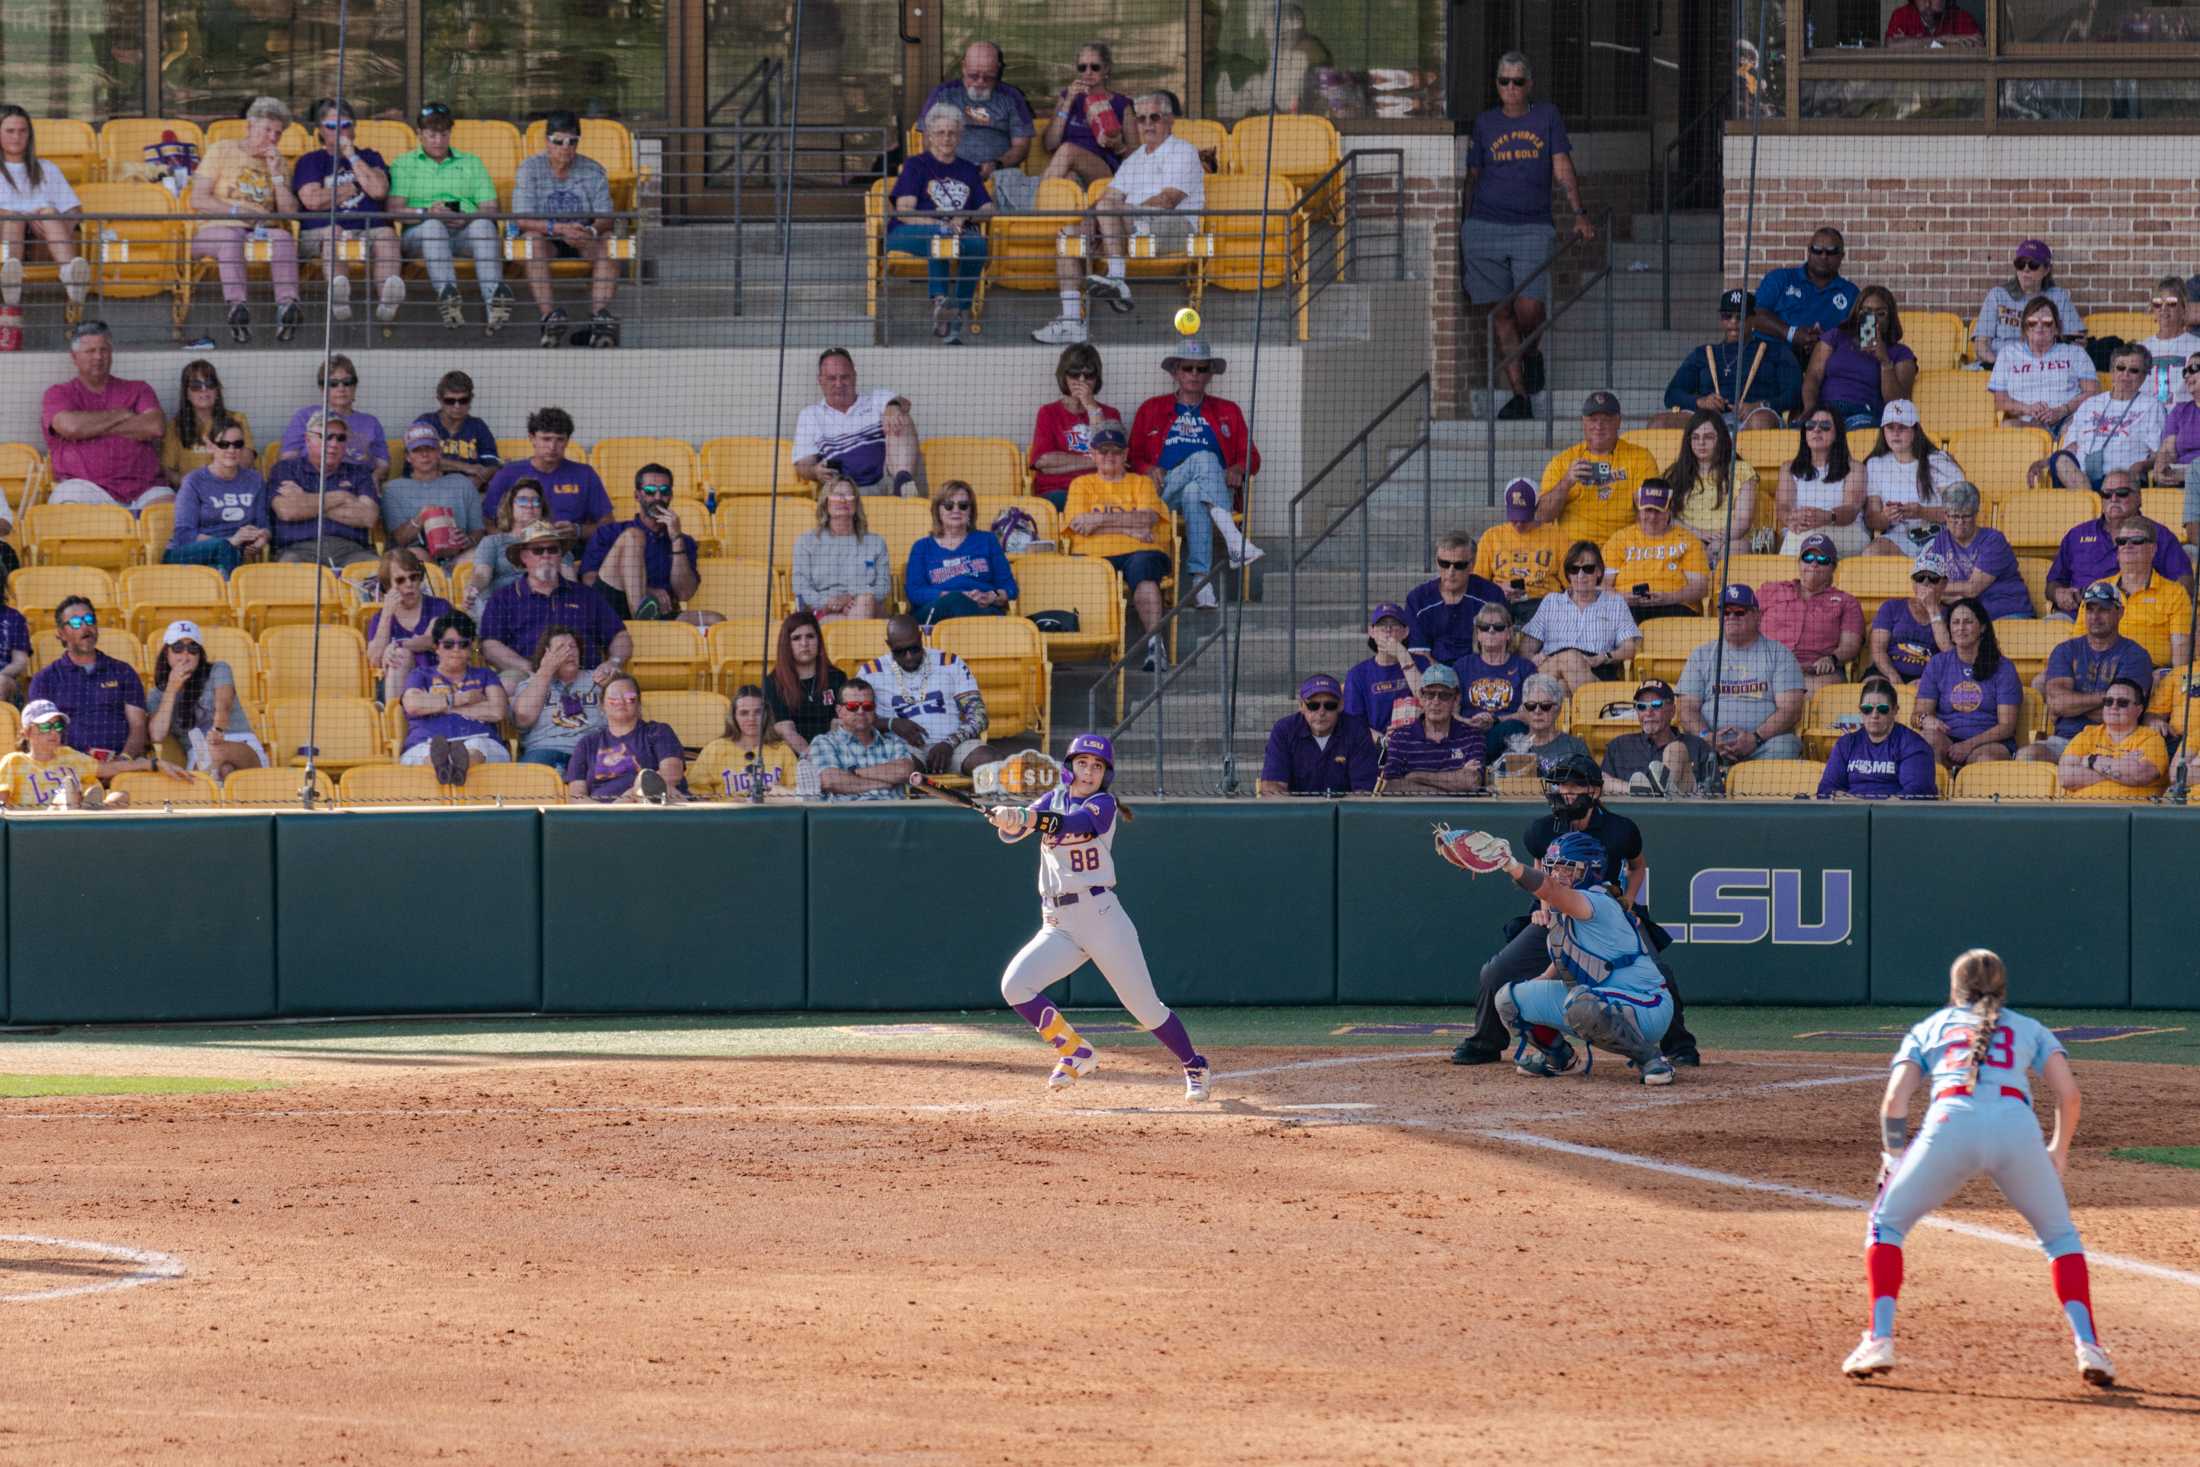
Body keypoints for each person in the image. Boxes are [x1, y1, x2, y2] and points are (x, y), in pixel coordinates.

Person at [1843, 948, 2115, 1388]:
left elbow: (1895, 1100)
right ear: (2003, 989)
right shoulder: (2029, 1028)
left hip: (1950, 1125)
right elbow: (2070, 1095)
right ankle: (2090, 1348)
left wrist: (1893, 1158)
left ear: (1954, 989)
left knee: (1886, 1225)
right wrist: (2058, 1149)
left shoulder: (1930, 1027)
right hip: (2017, 1129)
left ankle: (1879, 1339)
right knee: (2061, 1238)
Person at [992, 732, 1213, 1100]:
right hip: (1058, 923)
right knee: (1014, 986)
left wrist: (1027, 816)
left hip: (1101, 917)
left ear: (1105, 773)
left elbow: (1071, 825)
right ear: (1070, 767)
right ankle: (1075, 1051)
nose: (1089, 771)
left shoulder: (1103, 803)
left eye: (1097, 766)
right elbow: (1016, 831)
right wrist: (1008, 820)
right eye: (1082, 764)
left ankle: (1194, 1064)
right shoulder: (1054, 798)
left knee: (1144, 1007)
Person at [1441, 827, 1676, 1085]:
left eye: (1568, 868)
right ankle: (1561, 1059)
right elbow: (1564, 955)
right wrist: (1538, 984)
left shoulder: (1596, 899)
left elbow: (1550, 890)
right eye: (1553, 867)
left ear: (1591, 870)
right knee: (1509, 999)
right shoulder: (1565, 911)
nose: (1558, 874)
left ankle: (1651, 1058)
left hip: (1647, 1007)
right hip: (1600, 999)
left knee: (1580, 1004)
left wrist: (1510, 864)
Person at [1462, 51, 1593, 420]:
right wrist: (1464, 228)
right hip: (1484, 227)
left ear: (1529, 84)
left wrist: (1579, 213)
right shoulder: (1485, 123)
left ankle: (1532, 352)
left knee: (1529, 308)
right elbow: (1472, 179)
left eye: (1518, 81)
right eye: (1504, 81)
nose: (1511, 88)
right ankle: (1520, 396)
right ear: (1497, 85)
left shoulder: (1546, 116)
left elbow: (1562, 166)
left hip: (1532, 225)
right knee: (1501, 313)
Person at [1034, 90, 1201, 346]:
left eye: (1154, 117)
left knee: (1109, 207)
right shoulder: (1134, 159)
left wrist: (1112, 211)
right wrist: (1091, 218)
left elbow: (1168, 200)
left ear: (1169, 121)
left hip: (1176, 227)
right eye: (1141, 119)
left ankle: (1117, 279)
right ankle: (1070, 322)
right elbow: (1110, 195)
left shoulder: (1183, 151)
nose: (1147, 124)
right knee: (1069, 235)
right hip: (1132, 227)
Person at [1127, 338, 1263, 606]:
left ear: (1210, 374)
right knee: (1203, 457)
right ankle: (1233, 537)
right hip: (1163, 493)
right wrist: (1148, 468)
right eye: (1187, 368)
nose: (1194, 374)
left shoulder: (1227, 410)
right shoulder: (1151, 408)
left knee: (1193, 493)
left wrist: (1238, 467)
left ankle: (1201, 583)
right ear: (1175, 371)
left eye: (1201, 369)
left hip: (1206, 493)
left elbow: (1252, 457)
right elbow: (1131, 457)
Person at [186, 96, 304, 343]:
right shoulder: (222, 149)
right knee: (231, 238)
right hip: (215, 228)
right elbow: (198, 199)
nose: (272, 138)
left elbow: (289, 212)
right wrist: (236, 212)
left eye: (278, 133)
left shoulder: (278, 162)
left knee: (282, 238)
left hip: (259, 231)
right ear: (250, 126)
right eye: (267, 130)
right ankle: (237, 308)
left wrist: (277, 175)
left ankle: (287, 308)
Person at [386, 100, 511, 332]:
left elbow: (491, 208)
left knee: (484, 224)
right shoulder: (404, 164)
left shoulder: (471, 162)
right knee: (434, 225)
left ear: (450, 132)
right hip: (420, 234)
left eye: (444, 134)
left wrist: (467, 217)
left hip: (464, 230)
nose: (438, 140)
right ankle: (448, 300)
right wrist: (427, 213)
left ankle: (495, 304)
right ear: (419, 133)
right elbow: (394, 210)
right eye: (432, 134)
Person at [512, 108, 620, 349]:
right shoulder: (530, 168)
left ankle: (600, 318)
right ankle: (550, 318)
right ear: (546, 142)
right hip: (547, 237)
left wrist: (590, 231)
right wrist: (559, 228)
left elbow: (606, 216)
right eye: (558, 141)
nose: (565, 147)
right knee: (531, 240)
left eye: (572, 142)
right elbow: (521, 218)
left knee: (609, 240)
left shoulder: (593, 170)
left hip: (582, 237)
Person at [1062, 423, 1171, 662]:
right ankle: (1094, 649)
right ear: (1093, 454)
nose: (1109, 456)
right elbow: (1080, 525)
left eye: (1116, 451)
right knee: (1085, 574)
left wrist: (1099, 519)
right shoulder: (1081, 484)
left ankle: (1155, 645)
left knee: (1145, 573)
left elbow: (1148, 518)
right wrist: (1128, 528)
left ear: (1125, 455)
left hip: (1141, 551)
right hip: (1093, 555)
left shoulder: (1140, 482)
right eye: (1103, 451)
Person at [293, 97, 403, 327]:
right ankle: (338, 297)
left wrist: (352, 156)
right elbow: (313, 200)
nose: (339, 131)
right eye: (332, 126)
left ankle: (387, 303)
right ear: (321, 130)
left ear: (354, 127)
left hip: (369, 227)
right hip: (320, 231)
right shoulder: (311, 161)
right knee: (335, 231)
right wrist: (353, 186)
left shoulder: (371, 156)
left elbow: (379, 190)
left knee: (387, 234)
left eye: (345, 125)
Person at [888, 105, 993, 345]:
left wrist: (963, 217)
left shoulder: (968, 169)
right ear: (930, 137)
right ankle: (940, 300)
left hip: (954, 234)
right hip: (907, 232)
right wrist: (942, 224)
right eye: (940, 132)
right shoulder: (916, 165)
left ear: (960, 136)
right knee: (941, 237)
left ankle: (956, 310)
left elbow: (987, 209)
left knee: (977, 243)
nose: (946, 137)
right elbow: (904, 211)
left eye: (952, 133)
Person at [41, 321, 169, 512]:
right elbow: (71, 427)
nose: (98, 357)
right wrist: (121, 414)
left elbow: (155, 427)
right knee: (65, 502)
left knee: (173, 512)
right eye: (90, 351)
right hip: (85, 489)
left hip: (145, 490)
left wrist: (91, 427)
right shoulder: (59, 393)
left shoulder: (138, 388)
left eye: (104, 350)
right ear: (74, 357)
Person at [478, 522, 631, 680]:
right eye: (538, 550)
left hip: (586, 678)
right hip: (528, 680)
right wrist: (530, 669)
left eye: (552, 549)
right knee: (506, 685)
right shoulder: (502, 599)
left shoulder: (587, 596)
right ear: (523, 557)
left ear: (560, 555)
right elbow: (489, 645)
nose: (546, 555)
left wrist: (614, 662)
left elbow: (620, 636)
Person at [2020, 582, 2153, 763]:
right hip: (2065, 740)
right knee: (2027, 755)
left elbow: (2123, 714)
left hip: (2114, 743)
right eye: (2090, 609)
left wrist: (2073, 706)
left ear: (2120, 612)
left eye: (2103, 610)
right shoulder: (2065, 650)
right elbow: (2058, 703)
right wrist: (2106, 698)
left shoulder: (2135, 655)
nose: (2095, 616)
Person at [857, 614, 1001, 776]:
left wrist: (949, 743)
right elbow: (856, 721)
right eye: (900, 652)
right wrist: (891, 724)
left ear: (921, 637)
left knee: (990, 760)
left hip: (954, 746)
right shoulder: (870, 672)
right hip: (904, 750)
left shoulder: (949, 662)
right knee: (898, 770)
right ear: (888, 645)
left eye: (914, 648)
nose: (909, 656)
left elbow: (980, 716)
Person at [1677, 583, 1807, 762]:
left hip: (1763, 745)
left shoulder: (1779, 653)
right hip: (1710, 746)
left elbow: (1791, 709)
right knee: (1680, 748)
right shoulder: (1701, 654)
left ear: (1757, 616)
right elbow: (1686, 708)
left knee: (1786, 746)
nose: (1731, 617)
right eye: (1725, 612)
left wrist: (1756, 738)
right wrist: (1707, 736)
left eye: (1739, 612)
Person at [2044, 470, 2189, 619]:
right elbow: (2052, 583)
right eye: (2106, 494)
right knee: (2052, 623)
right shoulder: (2077, 535)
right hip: (2080, 616)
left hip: (2140, 618)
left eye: (2122, 493)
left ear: (2139, 498)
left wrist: (2160, 605)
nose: (2113, 499)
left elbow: (2184, 582)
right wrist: (2058, 593)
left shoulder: (2160, 535)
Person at [27, 596, 147, 776]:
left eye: (89, 620)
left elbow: (138, 726)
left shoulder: (123, 671)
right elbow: (41, 735)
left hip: (121, 771)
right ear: (60, 633)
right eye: (75, 623)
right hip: (68, 772)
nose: (85, 627)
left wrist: (124, 761)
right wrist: (78, 767)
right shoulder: (45, 679)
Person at [0, 107, 91, 341]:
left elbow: (74, 211)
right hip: (5, 242)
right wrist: (21, 215)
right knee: (13, 216)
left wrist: (57, 226)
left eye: (22, 131)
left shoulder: (47, 169)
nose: (16, 137)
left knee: (50, 212)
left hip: (44, 245)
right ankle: (11, 279)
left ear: (30, 135)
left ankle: (71, 276)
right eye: (9, 131)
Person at [1652, 288, 1796, 431]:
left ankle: (1741, 453)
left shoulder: (1775, 351)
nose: (1733, 322)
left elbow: (1794, 394)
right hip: (1708, 421)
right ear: (1721, 319)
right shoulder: (1703, 353)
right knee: (1659, 423)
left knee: (1761, 420)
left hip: (1753, 419)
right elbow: (1672, 394)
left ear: (1753, 319)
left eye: (1740, 317)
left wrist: (1761, 405)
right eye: (1727, 316)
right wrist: (1701, 402)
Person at [920, 41, 1038, 210]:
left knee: (1013, 182)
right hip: (950, 170)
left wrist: (997, 165)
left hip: (999, 173)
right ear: (963, 67)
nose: (980, 82)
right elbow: (929, 142)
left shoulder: (1012, 97)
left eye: (988, 77)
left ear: (997, 69)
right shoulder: (943, 94)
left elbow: (1021, 147)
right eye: (973, 76)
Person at [398, 610, 510, 787]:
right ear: (436, 647)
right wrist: (461, 699)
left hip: (481, 738)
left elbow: (497, 711)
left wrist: (438, 705)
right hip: (425, 741)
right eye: (448, 644)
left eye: (463, 644)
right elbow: (412, 704)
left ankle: (455, 766)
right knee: (428, 753)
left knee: (477, 747)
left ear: (471, 646)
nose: (456, 650)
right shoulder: (420, 674)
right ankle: (443, 765)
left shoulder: (486, 674)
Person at [793, 348, 926, 497]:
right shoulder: (810, 415)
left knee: (899, 414)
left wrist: (894, 406)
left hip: (886, 483)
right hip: (842, 490)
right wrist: (814, 471)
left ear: (854, 376)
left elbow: (905, 403)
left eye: (845, 377)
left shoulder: (878, 398)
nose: (839, 384)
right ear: (820, 381)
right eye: (831, 378)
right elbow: (803, 464)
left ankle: (903, 484)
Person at [582, 463, 704, 623]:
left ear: (671, 495)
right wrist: (646, 591)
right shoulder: (609, 532)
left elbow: (684, 593)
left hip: (660, 613)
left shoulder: (684, 541)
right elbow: (589, 580)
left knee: (714, 619)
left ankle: (648, 619)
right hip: (611, 608)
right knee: (634, 536)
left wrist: (676, 538)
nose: (658, 497)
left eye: (665, 491)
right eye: (650, 491)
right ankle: (642, 620)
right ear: (637, 495)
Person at [145, 619, 263, 781]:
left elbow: (224, 703)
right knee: (226, 770)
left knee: (217, 751)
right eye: (178, 648)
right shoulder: (157, 694)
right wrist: (172, 688)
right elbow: (157, 735)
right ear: (167, 653)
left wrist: (218, 730)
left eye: (192, 648)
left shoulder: (218, 669)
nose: (185, 655)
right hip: (199, 751)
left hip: (240, 742)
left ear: (200, 654)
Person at [2035, 342, 2164, 491]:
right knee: (2059, 459)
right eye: (2120, 368)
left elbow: (2158, 455)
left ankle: (2091, 504)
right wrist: (2046, 461)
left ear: (2143, 376)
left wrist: (2140, 466)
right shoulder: (2090, 403)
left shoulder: (2152, 406)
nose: (2125, 375)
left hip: (2120, 481)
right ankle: (2091, 500)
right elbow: (2071, 447)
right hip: (2079, 478)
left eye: (2133, 370)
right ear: (2112, 371)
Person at [1517, 539, 1640, 693]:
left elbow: (1630, 648)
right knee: (1569, 658)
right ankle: (1596, 711)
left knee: (1563, 687)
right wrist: (1533, 658)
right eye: (1574, 569)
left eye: (1587, 569)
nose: (1581, 575)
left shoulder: (1615, 603)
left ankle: (1585, 708)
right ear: (1568, 573)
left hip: (1596, 669)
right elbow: (1526, 648)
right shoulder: (1551, 601)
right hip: (1550, 668)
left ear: (1599, 571)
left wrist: (1604, 657)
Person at [1536, 392, 1657, 545]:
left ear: (1618, 422)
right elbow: (1542, 516)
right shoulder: (1562, 461)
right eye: (1593, 420)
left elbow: (1650, 512)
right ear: (1583, 422)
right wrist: (1567, 481)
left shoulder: (1640, 458)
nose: (1599, 426)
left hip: (1622, 549)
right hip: (1574, 551)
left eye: (1606, 420)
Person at [1914, 596, 2020, 769]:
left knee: (1985, 760)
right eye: (1955, 622)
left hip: (1989, 743)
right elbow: (1917, 715)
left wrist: (1968, 745)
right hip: (1947, 740)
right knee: (1927, 740)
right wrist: (1925, 719)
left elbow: (2007, 726)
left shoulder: (2004, 668)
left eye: (1968, 622)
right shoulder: (1938, 663)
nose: (1960, 628)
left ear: (1983, 627)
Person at [267, 410, 380, 569]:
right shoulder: (286, 469)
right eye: (326, 437)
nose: (334, 444)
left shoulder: (359, 472)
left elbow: (368, 517)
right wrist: (342, 497)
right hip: (298, 549)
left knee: (375, 570)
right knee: (290, 573)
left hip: (351, 550)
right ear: (308, 439)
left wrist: (305, 500)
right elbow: (287, 510)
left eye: (340, 438)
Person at [1757, 532, 1865, 691]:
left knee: (1814, 692)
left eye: (1822, 560)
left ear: (1833, 567)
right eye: (1807, 558)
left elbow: (1850, 644)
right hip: (1767, 668)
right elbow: (1744, 622)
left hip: (1815, 674)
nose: (1814, 564)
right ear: (1799, 563)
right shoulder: (1771, 590)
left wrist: (1832, 659)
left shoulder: (1847, 602)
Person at [166, 410, 270, 574]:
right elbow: (184, 534)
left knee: (229, 554)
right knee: (225, 548)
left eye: (237, 444)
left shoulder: (254, 480)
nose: (231, 449)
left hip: (232, 555)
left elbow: (263, 524)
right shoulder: (194, 481)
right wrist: (230, 541)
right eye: (223, 444)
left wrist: (261, 538)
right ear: (210, 446)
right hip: (187, 553)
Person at [1801, 285, 1918, 430]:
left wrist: (1884, 361)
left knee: (1858, 432)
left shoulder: (1900, 353)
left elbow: (1898, 404)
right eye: (1866, 312)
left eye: (1880, 313)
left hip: (1863, 414)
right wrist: (1810, 408)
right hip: (1826, 411)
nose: (1873, 319)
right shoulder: (1836, 336)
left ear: (1890, 318)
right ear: (1857, 314)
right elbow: (1813, 376)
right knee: (1799, 432)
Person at [482, 406, 612, 531]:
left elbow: (607, 523)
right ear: (532, 438)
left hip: (572, 547)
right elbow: (488, 523)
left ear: (567, 441)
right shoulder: (508, 473)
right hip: (516, 548)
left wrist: (578, 531)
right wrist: (513, 542)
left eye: (560, 440)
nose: (552, 447)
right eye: (546, 439)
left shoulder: (585, 474)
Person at [1860, 400, 1962, 559]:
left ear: (1915, 430)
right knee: (1871, 553)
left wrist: (1921, 512)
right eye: (1890, 427)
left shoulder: (1938, 461)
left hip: (1939, 536)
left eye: (1902, 427)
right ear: (1883, 431)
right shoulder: (1875, 464)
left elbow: (1960, 512)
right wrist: (1886, 516)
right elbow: (1872, 518)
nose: (1895, 433)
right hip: (1899, 538)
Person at [565, 674, 689, 802]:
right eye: (613, 699)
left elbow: (672, 775)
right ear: (602, 706)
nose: (621, 702)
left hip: (654, 805)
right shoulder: (587, 744)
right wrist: (610, 810)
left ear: (639, 705)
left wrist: (634, 793)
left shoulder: (658, 731)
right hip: (604, 814)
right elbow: (576, 796)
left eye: (630, 698)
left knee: (647, 783)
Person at [2088, 518, 2191, 670]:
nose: (2128, 546)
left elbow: (2181, 657)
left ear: (2153, 549)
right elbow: (2078, 643)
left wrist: (2167, 679)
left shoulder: (2175, 593)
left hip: (2150, 672)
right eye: (2122, 541)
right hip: (2099, 669)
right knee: (2050, 681)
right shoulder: (2098, 588)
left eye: (2137, 541)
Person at [1028, 342, 1121, 510]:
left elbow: (1113, 458)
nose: (1082, 380)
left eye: (1089, 375)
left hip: (1101, 489)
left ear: (1097, 378)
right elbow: (1044, 462)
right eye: (1075, 374)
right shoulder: (1048, 413)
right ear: (1064, 376)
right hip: (1059, 490)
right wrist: (1096, 460)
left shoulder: (1110, 413)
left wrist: (1091, 406)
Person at [1988, 295, 2099, 433]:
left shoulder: (2076, 353)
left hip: (2067, 421)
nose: (2039, 326)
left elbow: (2093, 392)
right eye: (2032, 321)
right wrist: (2028, 409)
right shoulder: (2007, 354)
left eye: (2047, 321)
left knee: (2081, 427)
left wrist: (2062, 410)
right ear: (2025, 328)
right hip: (2026, 422)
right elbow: (2000, 402)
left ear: (2057, 328)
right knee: (2009, 426)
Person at [907, 481, 1016, 621]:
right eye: (948, 506)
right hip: (935, 613)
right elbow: (915, 592)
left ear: (971, 511)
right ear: (937, 511)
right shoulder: (921, 547)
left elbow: (1010, 588)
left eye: (963, 506)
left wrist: (992, 596)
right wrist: (948, 596)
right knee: (955, 600)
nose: (956, 510)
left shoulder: (988, 540)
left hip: (982, 610)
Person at [1601, 479, 1708, 621]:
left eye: (1658, 511)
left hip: (1676, 606)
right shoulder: (1619, 538)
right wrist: (1622, 598)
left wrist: (1670, 598)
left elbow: (1700, 587)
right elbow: (1602, 585)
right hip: (1627, 607)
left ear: (1669, 511)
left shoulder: (1688, 540)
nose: (1652, 517)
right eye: (1648, 510)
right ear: (1639, 508)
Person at [1751, 227, 1860, 364]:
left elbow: (1866, 337)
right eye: (1817, 250)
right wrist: (1792, 333)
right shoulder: (1780, 278)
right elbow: (1754, 315)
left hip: (1823, 365)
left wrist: (1824, 342)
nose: (1823, 256)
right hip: (1770, 358)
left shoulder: (1851, 293)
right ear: (1808, 250)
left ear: (1842, 256)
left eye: (1831, 252)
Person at [1665, 409, 1757, 568]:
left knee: (1737, 548)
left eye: (1708, 437)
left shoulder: (1741, 470)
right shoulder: (1674, 473)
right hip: (1688, 537)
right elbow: (1668, 518)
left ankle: (1726, 593)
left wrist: (1719, 541)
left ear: (1720, 439)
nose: (1701, 443)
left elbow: (1744, 520)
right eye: (1695, 437)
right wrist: (1699, 536)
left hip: (1730, 540)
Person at [382, 423, 482, 568]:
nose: (424, 455)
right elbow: (397, 541)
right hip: (417, 560)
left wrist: (469, 540)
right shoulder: (394, 489)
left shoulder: (462, 483)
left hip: (459, 556)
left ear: (439, 452)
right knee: (414, 554)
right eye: (417, 450)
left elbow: (478, 529)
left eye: (430, 448)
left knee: (481, 553)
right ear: (408, 457)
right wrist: (420, 518)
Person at [1258, 672, 1376, 795]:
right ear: (1301, 706)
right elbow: (1272, 786)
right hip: (1297, 810)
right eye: (1313, 705)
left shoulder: (1357, 731)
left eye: (1330, 705)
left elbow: (1364, 790)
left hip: (1344, 810)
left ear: (1341, 705)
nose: (1321, 712)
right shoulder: (1283, 731)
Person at [1818, 677, 1936, 799]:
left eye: (1882, 709)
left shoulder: (1913, 745)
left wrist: (1884, 807)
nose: (1874, 715)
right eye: (1867, 709)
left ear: (1895, 710)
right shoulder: (1846, 744)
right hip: (1852, 812)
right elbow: (1826, 788)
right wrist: (1840, 797)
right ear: (1860, 711)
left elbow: (1918, 790)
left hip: (1894, 813)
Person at [279, 355, 390, 483]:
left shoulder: (371, 422)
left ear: (355, 386)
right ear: (322, 389)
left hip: (358, 484)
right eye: (333, 384)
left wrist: (374, 478)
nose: (341, 388)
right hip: (314, 482)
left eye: (347, 382)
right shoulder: (304, 416)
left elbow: (383, 464)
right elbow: (288, 458)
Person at [793, 476, 890, 622]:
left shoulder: (876, 542)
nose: (843, 500)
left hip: (865, 607)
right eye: (836, 495)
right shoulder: (806, 542)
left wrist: (851, 597)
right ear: (826, 503)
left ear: (856, 504)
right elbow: (801, 587)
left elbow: (883, 587)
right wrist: (830, 603)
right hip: (822, 611)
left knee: (865, 602)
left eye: (849, 496)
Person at [510, 626, 606, 773]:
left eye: (573, 647)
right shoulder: (531, 684)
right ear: (546, 654)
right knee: (525, 782)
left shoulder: (599, 679)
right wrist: (546, 671)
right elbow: (523, 718)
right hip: (544, 751)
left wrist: (613, 679)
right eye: (561, 648)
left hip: (592, 751)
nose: (569, 651)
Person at [1970, 241, 2080, 368]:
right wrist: (1999, 366)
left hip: (2044, 369)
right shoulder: (1997, 296)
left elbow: (2076, 342)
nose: (2026, 269)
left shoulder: (2059, 297)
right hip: (1999, 367)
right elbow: (1981, 344)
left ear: (2046, 270)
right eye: (2020, 264)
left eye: (2033, 265)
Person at [0, 699, 127, 809]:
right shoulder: (13, 762)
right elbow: (2, 805)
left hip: (75, 820)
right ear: (26, 733)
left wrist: (144, 763)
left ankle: (87, 808)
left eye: (58, 726)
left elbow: (109, 768)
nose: (54, 732)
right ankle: (82, 805)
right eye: (46, 727)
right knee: (66, 796)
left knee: (120, 797)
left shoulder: (69, 755)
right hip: (37, 824)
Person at [1405, 530, 1509, 663]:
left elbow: (1500, 646)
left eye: (1459, 565)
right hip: (1433, 675)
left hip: (1480, 671)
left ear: (1472, 565)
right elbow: (1419, 654)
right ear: (1437, 562)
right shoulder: (1418, 599)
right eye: (1444, 563)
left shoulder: (1491, 595)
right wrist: (1444, 678)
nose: (1451, 571)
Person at [1375, 663, 1482, 792]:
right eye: (1430, 694)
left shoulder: (1472, 736)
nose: (1436, 701)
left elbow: (1471, 782)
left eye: (1444, 695)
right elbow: (1390, 786)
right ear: (1421, 697)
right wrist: (1450, 786)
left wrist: (1415, 776)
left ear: (1456, 699)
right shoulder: (1400, 737)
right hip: (1413, 812)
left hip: (1460, 812)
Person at [2055, 675, 2166, 799]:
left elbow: (2141, 775)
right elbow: (2065, 778)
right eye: (2108, 701)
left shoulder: (2151, 738)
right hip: (2082, 809)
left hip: (2129, 811)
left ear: (2138, 710)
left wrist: (2092, 761)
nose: (2113, 706)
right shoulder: (2086, 735)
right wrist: (2122, 768)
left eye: (2122, 702)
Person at [1039, 43, 1133, 189]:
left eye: (1095, 67)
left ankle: (1034, 205)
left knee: (1068, 149)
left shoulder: (1122, 104)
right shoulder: (1067, 97)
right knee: (1069, 178)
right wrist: (1068, 101)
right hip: (1068, 167)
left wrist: (1118, 145)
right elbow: (1050, 144)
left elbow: (1136, 156)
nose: (1088, 72)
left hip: (1104, 168)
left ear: (1106, 68)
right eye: (1082, 67)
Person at [1603, 678, 1718, 797]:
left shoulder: (1698, 746)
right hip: (1632, 813)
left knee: (1676, 749)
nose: (1648, 713)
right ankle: (1647, 791)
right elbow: (1602, 783)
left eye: (1656, 705)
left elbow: (1716, 793)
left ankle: (1659, 792)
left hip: (1680, 810)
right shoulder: (1619, 745)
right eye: (1642, 706)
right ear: (1637, 712)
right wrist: (1631, 790)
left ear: (1672, 711)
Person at [1777, 408, 1867, 557]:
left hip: (1847, 532)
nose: (1816, 430)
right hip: (1802, 531)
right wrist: (1791, 519)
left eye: (1825, 426)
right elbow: (1783, 507)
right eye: (1811, 425)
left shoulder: (1855, 468)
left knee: (1805, 539)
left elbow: (1851, 509)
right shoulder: (1788, 468)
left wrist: (1827, 516)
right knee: (1798, 536)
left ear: (1837, 433)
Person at [365, 547, 452, 702]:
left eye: (414, 577)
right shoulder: (379, 618)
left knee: (399, 653)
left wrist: (397, 645)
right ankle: (395, 720)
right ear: (388, 586)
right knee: (400, 657)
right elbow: (375, 659)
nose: (409, 584)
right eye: (400, 580)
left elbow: (430, 640)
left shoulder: (440, 606)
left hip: (438, 682)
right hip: (395, 685)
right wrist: (386, 614)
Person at [808, 676, 914, 801]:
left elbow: (905, 772)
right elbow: (830, 781)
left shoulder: (893, 742)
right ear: (839, 711)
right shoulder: (824, 742)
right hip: (848, 816)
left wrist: (854, 773)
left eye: (867, 706)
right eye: (853, 706)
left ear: (874, 709)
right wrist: (882, 783)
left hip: (891, 815)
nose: (861, 711)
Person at [1473, 479, 1567, 614]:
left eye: (1524, 519)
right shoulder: (1491, 537)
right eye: (1514, 519)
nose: (1519, 524)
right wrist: (1498, 589)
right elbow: (1478, 585)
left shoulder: (1557, 537)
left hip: (1544, 605)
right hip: (1501, 604)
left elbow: (1571, 583)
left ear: (1536, 507)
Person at [693, 684, 803, 800]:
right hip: (726, 816)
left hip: (770, 816)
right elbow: (697, 794)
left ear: (766, 714)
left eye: (757, 712)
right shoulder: (715, 749)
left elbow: (799, 794)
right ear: (733, 716)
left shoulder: (782, 750)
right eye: (744, 713)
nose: (751, 718)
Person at [468, 479, 565, 609]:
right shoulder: (493, 542)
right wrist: (473, 589)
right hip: (503, 607)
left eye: (536, 502)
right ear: (510, 506)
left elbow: (568, 576)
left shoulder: (553, 542)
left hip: (544, 604)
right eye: (523, 500)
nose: (530, 506)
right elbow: (482, 574)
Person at [765, 610, 849, 755]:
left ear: (819, 641)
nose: (804, 643)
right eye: (796, 638)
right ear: (786, 644)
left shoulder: (837, 677)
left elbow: (839, 724)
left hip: (833, 751)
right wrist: (810, 755)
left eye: (810, 636)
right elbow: (786, 730)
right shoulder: (773, 682)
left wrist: (825, 754)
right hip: (794, 756)